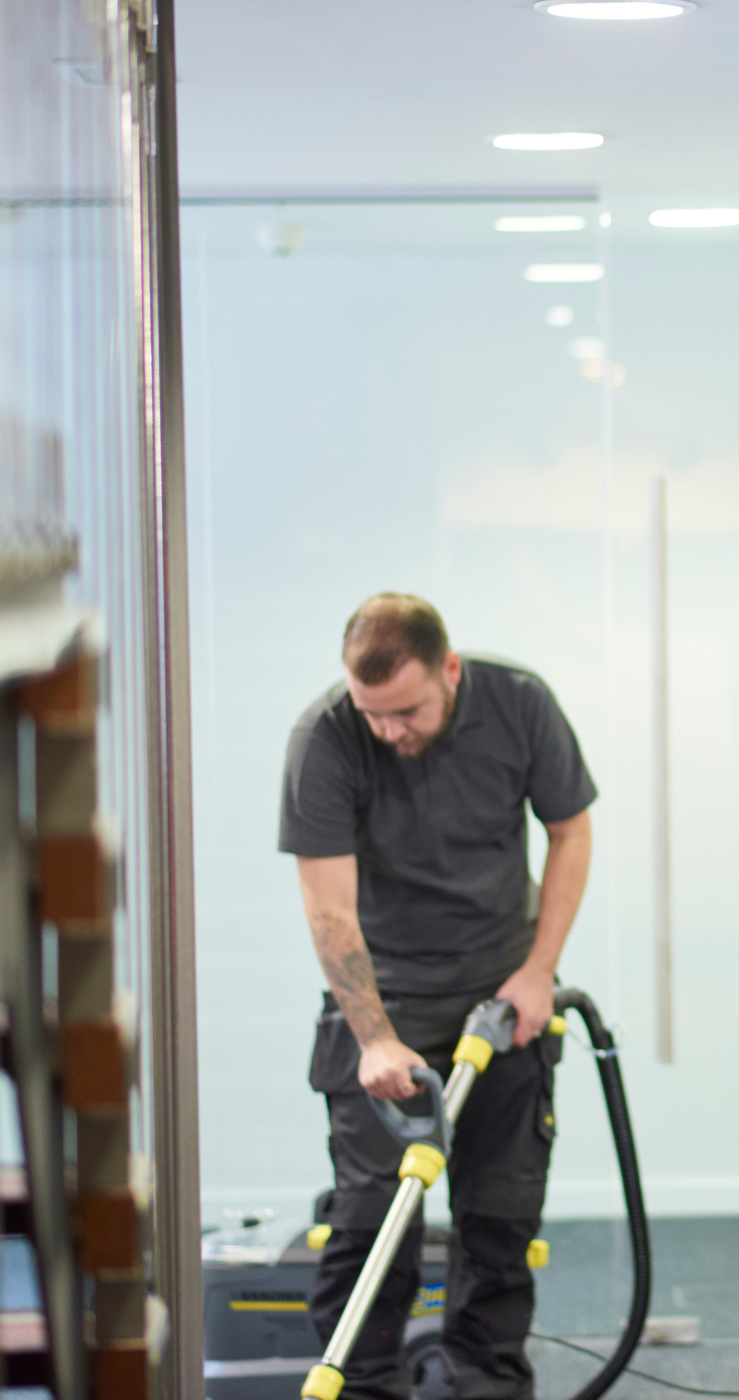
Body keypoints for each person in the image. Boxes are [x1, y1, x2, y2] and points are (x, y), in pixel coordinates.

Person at [279, 594, 597, 1400]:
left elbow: (570, 831)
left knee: (499, 1224)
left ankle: (486, 1387)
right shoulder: (326, 737)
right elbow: (328, 907)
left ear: (449, 670)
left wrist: (540, 970)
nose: (389, 731)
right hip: (383, 1002)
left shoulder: (520, 705)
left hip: (505, 997)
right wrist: (374, 1037)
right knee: (371, 1227)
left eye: (407, 711)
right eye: (373, 713)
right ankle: (366, 1390)